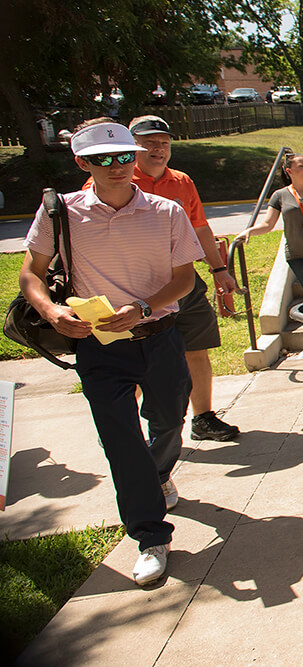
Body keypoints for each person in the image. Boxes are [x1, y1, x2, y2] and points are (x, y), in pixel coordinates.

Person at [20, 118, 204, 586]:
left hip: (158, 337)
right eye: (103, 159)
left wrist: (143, 305)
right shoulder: (60, 212)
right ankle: (150, 536)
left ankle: (156, 472)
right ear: (83, 162)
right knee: (122, 443)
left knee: (168, 421)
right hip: (99, 347)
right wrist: (51, 311)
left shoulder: (165, 211)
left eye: (124, 155)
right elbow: (31, 275)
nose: (118, 166)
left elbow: (185, 279)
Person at [84, 115, 241, 444]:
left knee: (196, 348)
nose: (159, 150)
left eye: (164, 144)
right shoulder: (114, 178)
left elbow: (200, 227)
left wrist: (219, 269)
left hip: (183, 280)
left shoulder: (181, 181)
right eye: (149, 144)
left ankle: (203, 418)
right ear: (133, 148)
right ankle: (124, 425)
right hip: (133, 288)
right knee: (140, 358)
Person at [235, 153, 303, 300]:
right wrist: (249, 231)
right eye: (301, 167)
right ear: (289, 171)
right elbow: (267, 224)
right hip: (297, 255)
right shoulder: (279, 196)